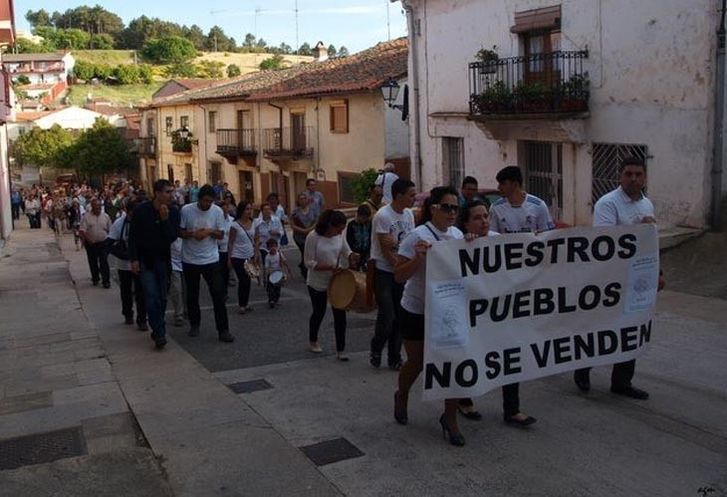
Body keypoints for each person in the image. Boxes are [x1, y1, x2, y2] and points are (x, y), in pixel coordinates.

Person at [574, 156, 666, 400]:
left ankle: (622, 381)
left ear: (644, 177)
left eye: (638, 174)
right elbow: (605, 243)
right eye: (629, 174)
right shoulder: (608, 203)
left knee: (632, 328)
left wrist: (658, 272)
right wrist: (638, 229)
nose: (634, 179)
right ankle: (582, 368)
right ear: (620, 176)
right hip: (610, 279)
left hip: (637, 280)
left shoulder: (647, 204)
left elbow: (650, 243)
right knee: (601, 327)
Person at [393, 186, 466, 446]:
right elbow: (399, 275)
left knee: (453, 363)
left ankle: (450, 418)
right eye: (446, 207)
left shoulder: (457, 235)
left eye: (455, 208)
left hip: (448, 311)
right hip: (417, 309)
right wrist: (419, 258)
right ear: (433, 208)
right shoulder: (417, 235)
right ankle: (402, 394)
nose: (452, 213)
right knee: (418, 361)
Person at [456, 199, 537, 426]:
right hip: (472, 313)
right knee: (472, 355)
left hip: (500, 311)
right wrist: (465, 245)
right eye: (477, 218)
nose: (483, 221)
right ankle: (464, 400)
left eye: (485, 216)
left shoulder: (499, 241)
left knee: (509, 355)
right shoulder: (458, 244)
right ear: (465, 223)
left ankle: (512, 409)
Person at [369, 178, 417, 370]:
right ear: (399, 196)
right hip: (385, 272)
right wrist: (398, 267)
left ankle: (394, 356)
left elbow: (409, 241)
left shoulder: (409, 215)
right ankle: (376, 347)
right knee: (387, 315)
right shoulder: (383, 216)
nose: (414, 198)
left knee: (400, 316)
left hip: (402, 272)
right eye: (411, 195)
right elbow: (385, 249)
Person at [179, 184, 234, 343]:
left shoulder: (217, 211)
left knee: (218, 294)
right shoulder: (186, 210)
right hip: (190, 259)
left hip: (211, 259)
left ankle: (223, 330)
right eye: (204, 201)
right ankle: (195, 324)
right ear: (198, 199)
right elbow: (180, 232)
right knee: (192, 294)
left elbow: (221, 234)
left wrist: (209, 231)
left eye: (210, 201)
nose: (207, 204)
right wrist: (192, 234)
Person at [129, 179, 180, 349]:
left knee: (162, 298)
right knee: (151, 297)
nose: (170, 195)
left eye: (171, 192)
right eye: (167, 192)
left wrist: (165, 220)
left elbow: (172, 237)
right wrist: (134, 259)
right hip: (146, 261)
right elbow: (133, 237)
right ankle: (159, 333)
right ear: (157, 193)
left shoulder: (173, 212)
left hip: (164, 260)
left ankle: (158, 327)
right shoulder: (141, 211)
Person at [303, 209, 359, 360]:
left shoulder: (339, 235)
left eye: (342, 229)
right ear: (329, 225)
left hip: (336, 280)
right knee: (319, 312)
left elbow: (346, 250)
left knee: (340, 314)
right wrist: (328, 267)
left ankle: (341, 350)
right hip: (317, 281)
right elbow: (308, 262)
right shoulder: (313, 237)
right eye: (338, 228)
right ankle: (313, 339)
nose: (340, 232)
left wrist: (352, 256)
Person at [108, 197, 147, 331]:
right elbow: (110, 244)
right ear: (127, 211)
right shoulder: (119, 224)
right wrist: (124, 255)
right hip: (124, 264)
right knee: (126, 291)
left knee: (141, 292)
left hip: (140, 263)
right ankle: (128, 313)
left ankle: (142, 319)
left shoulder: (143, 223)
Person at [489, 166, 555, 234]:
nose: (499, 187)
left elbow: (548, 234)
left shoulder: (539, 206)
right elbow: (491, 235)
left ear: (515, 184)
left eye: (503, 184)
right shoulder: (495, 208)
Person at [228, 201, 257, 314]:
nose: (249, 211)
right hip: (237, 256)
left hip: (249, 255)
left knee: (248, 280)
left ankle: (246, 303)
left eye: (250, 209)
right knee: (243, 279)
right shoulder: (235, 225)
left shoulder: (253, 222)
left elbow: (256, 238)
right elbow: (230, 242)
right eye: (247, 209)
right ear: (241, 211)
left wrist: (256, 252)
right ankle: (242, 305)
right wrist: (229, 258)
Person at [80, 198, 112, 288]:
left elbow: (110, 229)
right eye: (95, 207)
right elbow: (82, 230)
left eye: (99, 207)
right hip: (91, 243)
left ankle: (106, 281)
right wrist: (88, 240)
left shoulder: (105, 216)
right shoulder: (86, 217)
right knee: (93, 261)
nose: (97, 209)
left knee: (104, 261)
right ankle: (95, 278)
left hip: (103, 243)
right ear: (92, 207)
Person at [291, 192, 317, 279]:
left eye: (304, 198)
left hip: (310, 235)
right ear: (298, 200)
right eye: (301, 199)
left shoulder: (312, 210)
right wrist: (303, 230)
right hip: (299, 236)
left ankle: (303, 265)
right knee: (304, 251)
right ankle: (305, 269)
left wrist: (309, 230)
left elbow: (316, 221)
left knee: (308, 252)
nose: (303, 200)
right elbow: (293, 225)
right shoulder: (295, 212)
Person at [263, 238, 290, 308]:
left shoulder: (279, 254)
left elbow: (284, 261)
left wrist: (287, 268)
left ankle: (276, 300)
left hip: (279, 273)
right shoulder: (268, 257)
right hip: (271, 274)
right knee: (271, 289)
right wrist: (266, 276)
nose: (272, 248)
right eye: (270, 247)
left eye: (274, 246)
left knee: (277, 289)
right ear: (268, 248)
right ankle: (271, 300)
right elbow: (266, 267)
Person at [346, 205, 372, 271]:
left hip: (366, 252)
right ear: (358, 215)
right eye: (363, 217)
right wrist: (352, 253)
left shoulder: (369, 224)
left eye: (366, 218)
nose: (365, 219)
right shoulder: (351, 224)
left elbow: (371, 238)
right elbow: (349, 239)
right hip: (355, 252)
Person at [218, 204, 235, 300]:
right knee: (219, 272)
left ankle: (224, 291)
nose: (225, 211)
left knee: (226, 272)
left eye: (226, 208)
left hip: (228, 249)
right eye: (222, 209)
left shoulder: (232, 220)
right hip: (218, 249)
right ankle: (221, 291)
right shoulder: (216, 220)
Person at [168, 238, 185, 327]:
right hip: (173, 262)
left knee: (188, 289)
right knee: (176, 289)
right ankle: (179, 314)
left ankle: (187, 310)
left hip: (188, 260)